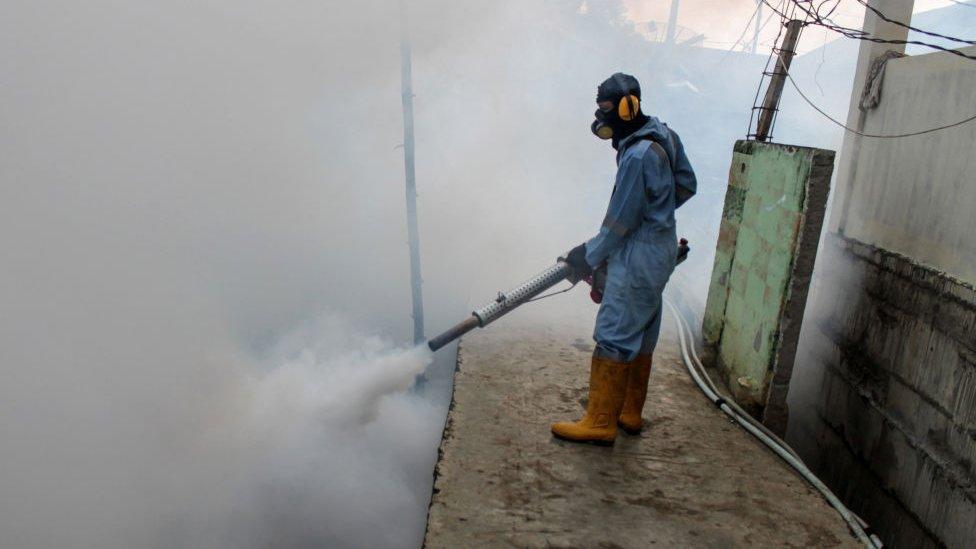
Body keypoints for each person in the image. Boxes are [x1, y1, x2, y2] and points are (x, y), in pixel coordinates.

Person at [552, 73, 697, 445]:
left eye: (605, 108)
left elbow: (620, 222)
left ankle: (600, 422)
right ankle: (629, 413)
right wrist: (660, 215)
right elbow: (687, 185)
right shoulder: (665, 135)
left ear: (625, 106)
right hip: (661, 248)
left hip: (638, 253)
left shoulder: (636, 155)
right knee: (643, 325)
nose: (603, 119)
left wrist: (588, 255)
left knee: (615, 333)